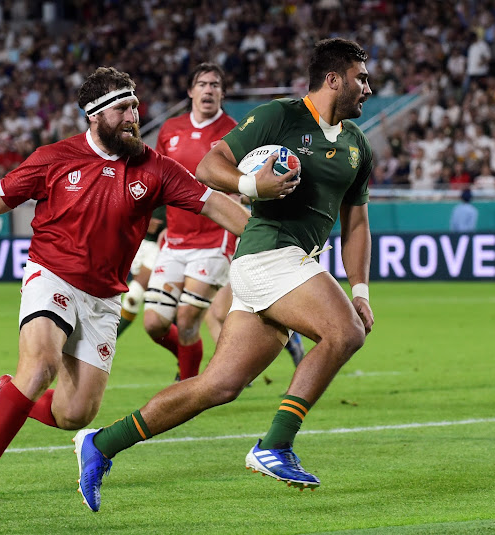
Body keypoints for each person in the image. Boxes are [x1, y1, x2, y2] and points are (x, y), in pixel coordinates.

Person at [0, 67, 291, 504]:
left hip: (104, 297)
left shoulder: (155, 168)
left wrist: (275, 243)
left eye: (135, 106)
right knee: (40, 364)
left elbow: (215, 204)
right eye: (122, 108)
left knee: (74, 414)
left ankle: (1, 399)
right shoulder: (56, 157)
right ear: (94, 115)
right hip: (52, 274)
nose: (133, 116)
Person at [74, 37, 375, 512]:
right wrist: (253, 184)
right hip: (269, 252)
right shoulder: (280, 116)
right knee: (344, 333)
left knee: (218, 386)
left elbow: (356, 224)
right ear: (334, 79)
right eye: (361, 78)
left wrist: (360, 289)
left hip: (286, 265)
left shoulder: (358, 146)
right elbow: (210, 165)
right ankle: (274, 446)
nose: (369, 89)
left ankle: (101, 444)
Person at [140, 62, 238, 381]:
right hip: (176, 238)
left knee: (187, 318)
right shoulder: (170, 129)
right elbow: (156, 179)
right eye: (202, 84)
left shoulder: (235, 131)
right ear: (190, 92)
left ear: (222, 93)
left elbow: (246, 178)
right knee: (154, 322)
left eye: (215, 85)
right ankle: (190, 363)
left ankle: (189, 384)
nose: (208, 90)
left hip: (215, 238)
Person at [116, 205, 166, 337]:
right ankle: (185, 353)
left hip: (162, 246)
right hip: (139, 242)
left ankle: (104, 345)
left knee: (134, 296)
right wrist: (143, 219)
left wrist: (170, 228)